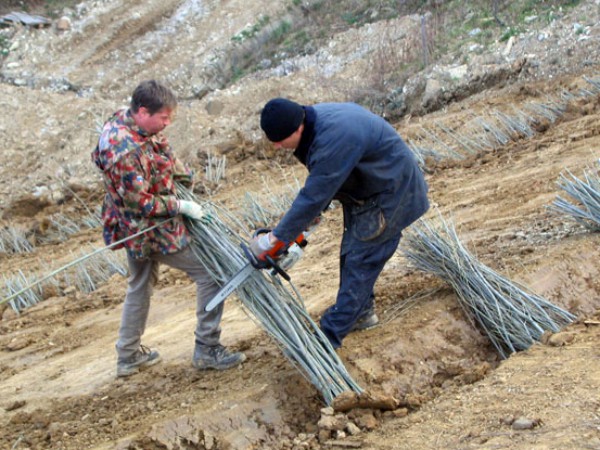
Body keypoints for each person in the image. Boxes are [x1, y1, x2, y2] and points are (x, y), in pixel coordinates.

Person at [92, 80, 245, 377]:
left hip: (136, 224)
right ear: (143, 111)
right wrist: (181, 206)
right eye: (163, 118)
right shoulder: (121, 151)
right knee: (210, 273)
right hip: (148, 228)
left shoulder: (129, 119)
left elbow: (161, 156)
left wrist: (184, 179)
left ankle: (128, 354)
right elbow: (141, 204)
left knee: (140, 282)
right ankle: (207, 347)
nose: (167, 123)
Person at [250, 98, 429, 349]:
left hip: (391, 191)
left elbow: (313, 195)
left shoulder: (334, 137)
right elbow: (325, 180)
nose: (278, 146)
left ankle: (327, 340)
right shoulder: (314, 124)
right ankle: (362, 313)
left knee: (361, 261)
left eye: (280, 140)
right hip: (367, 188)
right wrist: (303, 222)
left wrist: (274, 239)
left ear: (297, 128)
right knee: (352, 253)